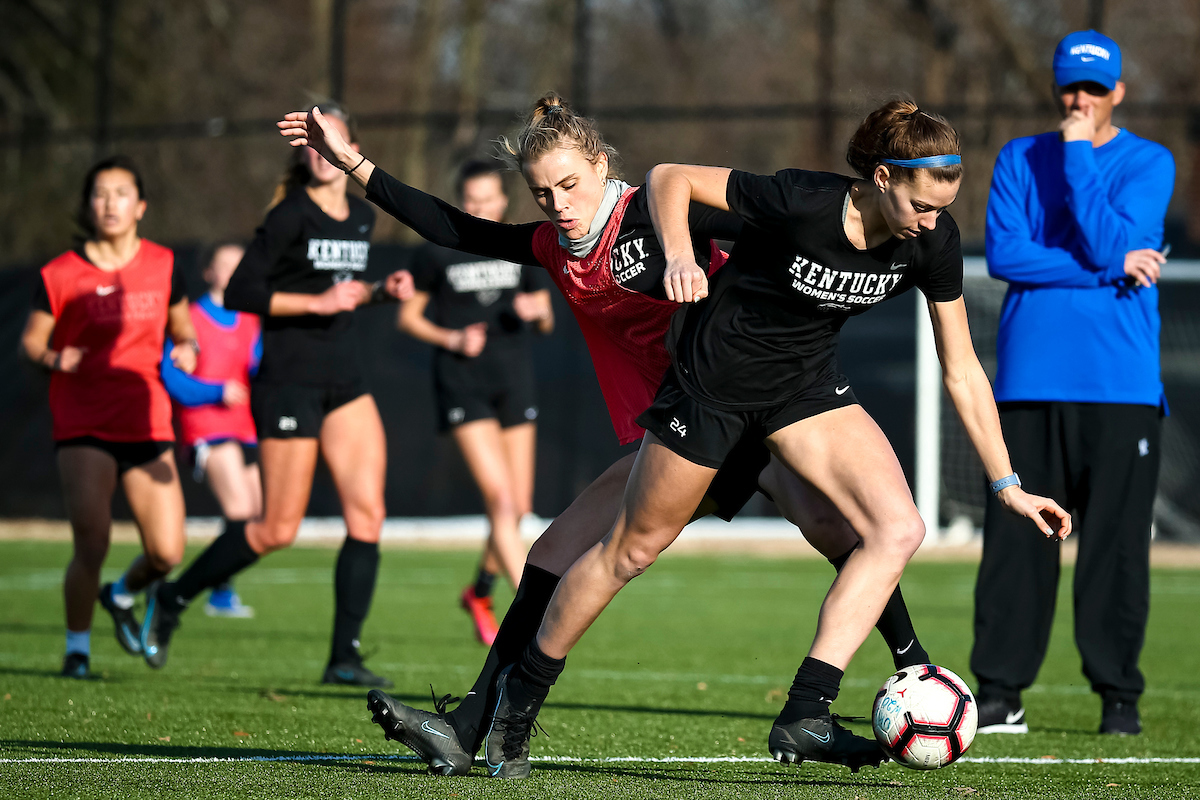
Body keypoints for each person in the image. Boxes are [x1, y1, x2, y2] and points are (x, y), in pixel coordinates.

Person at [279, 95, 945, 776]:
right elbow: (454, 229)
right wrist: (352, 161)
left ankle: (901, 669)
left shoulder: (652, 219)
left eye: (570, 184)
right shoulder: (553, 245)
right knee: (555, 553)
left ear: (602, 165)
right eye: (542, 192)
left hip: (734, 405)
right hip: (677, 426)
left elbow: (765, 226)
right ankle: (469, 722)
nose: (558, 203)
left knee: (841, 529)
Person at [455, 98, 1076, 779]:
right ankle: (517, 703)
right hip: (712, 387)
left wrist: (1007, 484)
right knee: (626, 554)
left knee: (897, 529)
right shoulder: (801, 201)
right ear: (883, 180)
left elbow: (961, 370)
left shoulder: (933, 241)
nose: (934, 221)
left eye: (942, 207)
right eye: (922, 205)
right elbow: (668, 177)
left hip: (802, 392)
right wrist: (680, 255)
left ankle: (806, 711)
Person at [140, 102, 415, 686]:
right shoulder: (289, 216)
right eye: (310, 142)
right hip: (289, 382)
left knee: (368, 514)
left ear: (351, 147)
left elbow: (341, 293)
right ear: (300, 154)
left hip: (346, 379)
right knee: (275, 529)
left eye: (330, 140)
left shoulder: (363, 219)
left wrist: (378, 292)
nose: (320, 152)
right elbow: (241, 291)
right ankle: (174, 596)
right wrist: (315, 304)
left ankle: (344, 657)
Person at [970, 30, 1174, 737]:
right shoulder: (1018, 156)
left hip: (1121, 385)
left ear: (1117, 91)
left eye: (1092, 89)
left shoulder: (1151, 161)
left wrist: (1080, 155)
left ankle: (1119, 696)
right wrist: (1112, 267)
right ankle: (1000, 693)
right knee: (1017, 542)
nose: (1078, 100)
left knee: (1116, 549)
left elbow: (1103, 236)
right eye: (1069, 87)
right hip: (1030, 380)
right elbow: (1007, 257)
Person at [20, 155, 197, 679]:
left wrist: (186, 348)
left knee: (166, 552)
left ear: (140, 205)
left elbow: (182, 329)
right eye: (100, 194)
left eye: (121, 193)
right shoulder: (61, 272)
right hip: (83, 420)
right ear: (87, 206)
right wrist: (53, 357)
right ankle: (77, 649)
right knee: (92, 540)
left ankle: (120, 595)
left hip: (145, 420)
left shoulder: (164, 264)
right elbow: (32, 340)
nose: (110, 203)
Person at [399, 160, 554, 645]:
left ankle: (479, 590)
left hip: (513, 382)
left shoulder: (521, 247)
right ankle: (531, 613)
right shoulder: (438, 251)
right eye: (472, 201)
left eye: (488, 200)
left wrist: (537, 313)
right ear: (461, 201)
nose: (480, 208)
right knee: (501, 501)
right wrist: (450, 338)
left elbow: (546, 319)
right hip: (462, 383)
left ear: (502, 201)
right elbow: (408, 318)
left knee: (519, 506)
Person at [160, 242, 262, 619]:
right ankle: (203, 593)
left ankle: (217, 590)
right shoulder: (189, 319)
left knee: (256, 519)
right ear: (209, 273)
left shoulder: (250, 318)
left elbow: (258, 368)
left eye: (241, 265)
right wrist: (216, 391)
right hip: (207, 426)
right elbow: (171, 378)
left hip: (245, 427)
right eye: (226, 266)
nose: (234, 273)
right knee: (238, 512)